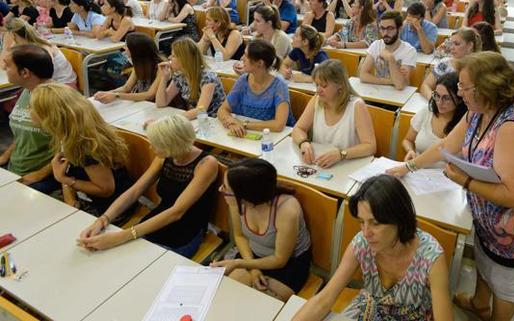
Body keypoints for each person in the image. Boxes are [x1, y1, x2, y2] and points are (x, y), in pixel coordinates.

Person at [387, 52, 514, 321]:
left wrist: (466, 181)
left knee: (505, 287)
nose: (459, 92)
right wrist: (409, 166)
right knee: (486, 263)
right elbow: (445, 146)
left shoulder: (512, 127)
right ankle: (479, 302)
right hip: (488, 217)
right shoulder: (479, 113)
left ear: (486, 88)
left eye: (463, 87)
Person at [293, 174, 453, 321]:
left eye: (375, 223)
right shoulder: (362, 243)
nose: (366, 232)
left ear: (399, 219)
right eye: (362, 222)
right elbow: (325, 298)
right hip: (370, 310)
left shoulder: (431, 257)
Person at [77, 115, 219, 258]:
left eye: (156, 145)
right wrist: (103, 220)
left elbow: (176, 212)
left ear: (171, 145)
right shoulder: (166, 156)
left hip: (184, 232)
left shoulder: (206, 164)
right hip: (158, 221)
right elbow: (135, 191)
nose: (151, 147)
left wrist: (120, 237)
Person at [211, 158, 311, 300]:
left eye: (226, 189)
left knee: (259, 303)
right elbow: (240, 236)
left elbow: (280, 259)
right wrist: (252, 268)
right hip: (251, 254)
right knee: (226, 295)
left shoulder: (287, 210)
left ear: (246, 195)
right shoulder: (236, 202)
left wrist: (238, 263)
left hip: (288, 264)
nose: (221, 190)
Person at [30, 83, 133, 219]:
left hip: (110, 208)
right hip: (83, 195)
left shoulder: (86, 147)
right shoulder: (66, 134)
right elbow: (66, 170)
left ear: (51, 117)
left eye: (32, 108)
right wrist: (68, 194)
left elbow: (106, 190)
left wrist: (64, 179)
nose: (29, 111)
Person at [291, 59, 376, 168]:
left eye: (324, 86)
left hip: (348, 165)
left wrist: (342, 154)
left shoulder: (356, 106)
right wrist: (303, 143)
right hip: (321, 163)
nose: (318, 90)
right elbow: (298, 129)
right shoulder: (317, 100)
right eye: (317, 85)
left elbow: (370, 146)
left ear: (339, 85)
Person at [0, 45, 58, 193]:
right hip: (16, 167)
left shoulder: (55, 100)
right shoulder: (28, 91)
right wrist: (5, 156)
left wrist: (40, 174)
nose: (4, 69)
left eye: (8, 66)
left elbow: (70, 149)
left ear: (25, 72)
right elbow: (23, 133)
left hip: (42, 176)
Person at [217, 39, 295, 136]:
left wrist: (244, 124)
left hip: (276, 138)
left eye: (246, 55)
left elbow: (278, 125)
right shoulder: (243, 81)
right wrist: (231, 122)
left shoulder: (279, 86)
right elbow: (222, 110)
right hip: (251, 135)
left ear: (260, 63)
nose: (242, 58)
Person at [401, 73, 466, 168]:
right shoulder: (427, 112)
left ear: (459, 99)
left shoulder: (466, 122)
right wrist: (410, 150)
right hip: (418, 170)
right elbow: (407, 140)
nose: (439, 102)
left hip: (448, 178)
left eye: (446, 98)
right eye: (437, 95)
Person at [156, 37, 225, 119]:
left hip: (213, 120)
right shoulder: (180, 75)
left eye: (173, 56)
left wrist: (168, 120)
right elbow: (161, 103)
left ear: (185, 59)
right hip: (195, 119)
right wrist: (164, 78)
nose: (169, 58)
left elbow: (200, 111)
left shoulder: (208, 78)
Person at [1, 19, 77, 86]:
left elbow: (46, 73)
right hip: (43, 83)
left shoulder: (42, 47)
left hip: (61, 85)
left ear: (14, 35)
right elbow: (4, 65)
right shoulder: (24, 47)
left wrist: (6, 46)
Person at [93, 32, 163, 103]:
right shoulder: (139, 64)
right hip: (141, 104)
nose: (124, 48)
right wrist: (107, 93)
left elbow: (150, 95)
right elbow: (126, 88)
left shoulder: (161, 67)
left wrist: (116, 96)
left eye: (126, 46)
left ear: (136, 50)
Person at [359, 11, 419, 90]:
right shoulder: (376, 45)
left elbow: (400, 85)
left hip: (399, 97)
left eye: (390, 28)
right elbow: (363, 76)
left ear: (400, 29)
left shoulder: (409, 51)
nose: (385, 33)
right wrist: (391, 81)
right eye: (382, 28)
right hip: (378, 93)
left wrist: (391, 59)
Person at [421, 28, 482, 100]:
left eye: (456, 44)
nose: (451, 47)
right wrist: (435, 101)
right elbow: (425, 85)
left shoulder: (480, 68)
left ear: (470, 46)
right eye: (451, 43)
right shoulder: (444, 63)